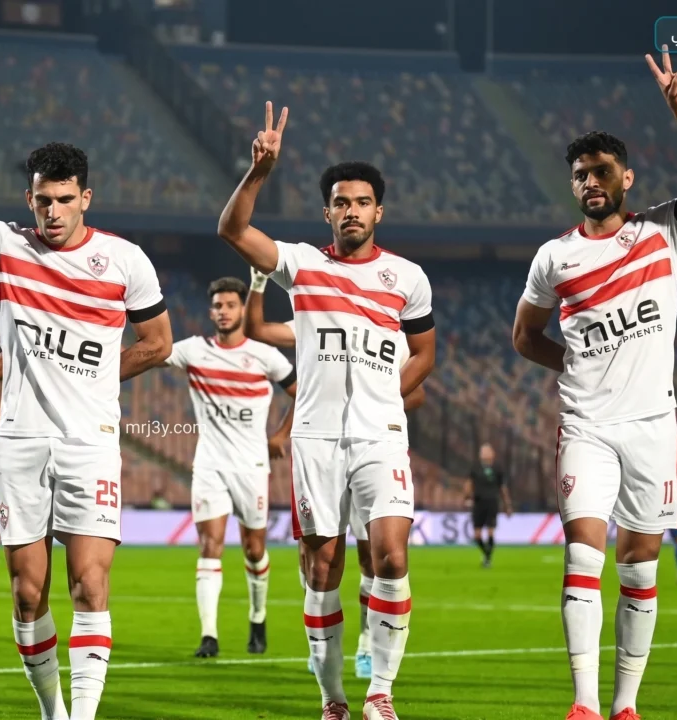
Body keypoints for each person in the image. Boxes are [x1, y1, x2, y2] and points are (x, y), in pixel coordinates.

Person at [0, 64, 173, 720]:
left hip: (89, 444)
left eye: (64, 199)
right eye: (42, 200)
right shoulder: (5, 245)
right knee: (28, 596)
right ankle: (55, 711)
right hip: (22, 445)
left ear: (86, 198)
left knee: (89, 584)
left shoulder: (126, 262)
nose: (52, 211)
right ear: (29, 199)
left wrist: (95, 377)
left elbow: (158, 343)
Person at [511, 46, 677, 720]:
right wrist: (575, 367)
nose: (590, 181)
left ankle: (625, 706)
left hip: (652, 428)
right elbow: (524, 337)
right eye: (580, 174)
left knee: (639, 568)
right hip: (587, 427)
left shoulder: (663, 232)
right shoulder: (554, 257)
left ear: (627, 178)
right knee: (584, 554)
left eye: (602, 170)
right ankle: (584, 705)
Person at [218, 102, 436, 720]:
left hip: (379, 436)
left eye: (362, 202)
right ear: (328, 213)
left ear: (378, 212)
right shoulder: (302, 264)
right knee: (322, 569)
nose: (352, 211)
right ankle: (333, 699)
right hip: (315, 438)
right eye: (341, 203)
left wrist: (386, 398)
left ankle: (380, 694)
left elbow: (424, 353)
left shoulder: (407, 278)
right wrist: (259, 171)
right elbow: (232, 231)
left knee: (391, 557)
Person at [245, 267, 427, 682]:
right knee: (315, 558)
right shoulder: (315, 320)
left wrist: (376, 402)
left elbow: (418, 393)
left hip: (370, 451)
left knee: (371, 559)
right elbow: (257, 330)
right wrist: (257, 284)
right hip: (321, 447)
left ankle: (364, 645)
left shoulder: (392, 335)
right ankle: (324, 650)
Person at [160, 275, 296, 658]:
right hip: (210, 466)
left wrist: (280, 435)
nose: (223, 311)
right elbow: (154, 351)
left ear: (242, 309)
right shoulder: (194, 351)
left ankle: (258, 616)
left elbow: (303, 393)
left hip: (251, 467)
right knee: (210, 546)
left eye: (231, 305)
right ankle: (209, 636)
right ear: (211, 312)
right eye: (218, 306)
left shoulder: (266, 356)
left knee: (254, 549)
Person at [463, 443, 511, 568]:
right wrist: (466, 497)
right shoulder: (475, 467)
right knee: (477, 535)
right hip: (478, 502)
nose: (484, 454)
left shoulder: (498, 468)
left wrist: (507, 504)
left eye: (486, 451)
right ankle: (487, 555)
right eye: (482, 452)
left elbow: (502, 487)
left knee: (490, 531)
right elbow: (469, 483)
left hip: (492, 502)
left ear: (492, 454)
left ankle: (487, 559)